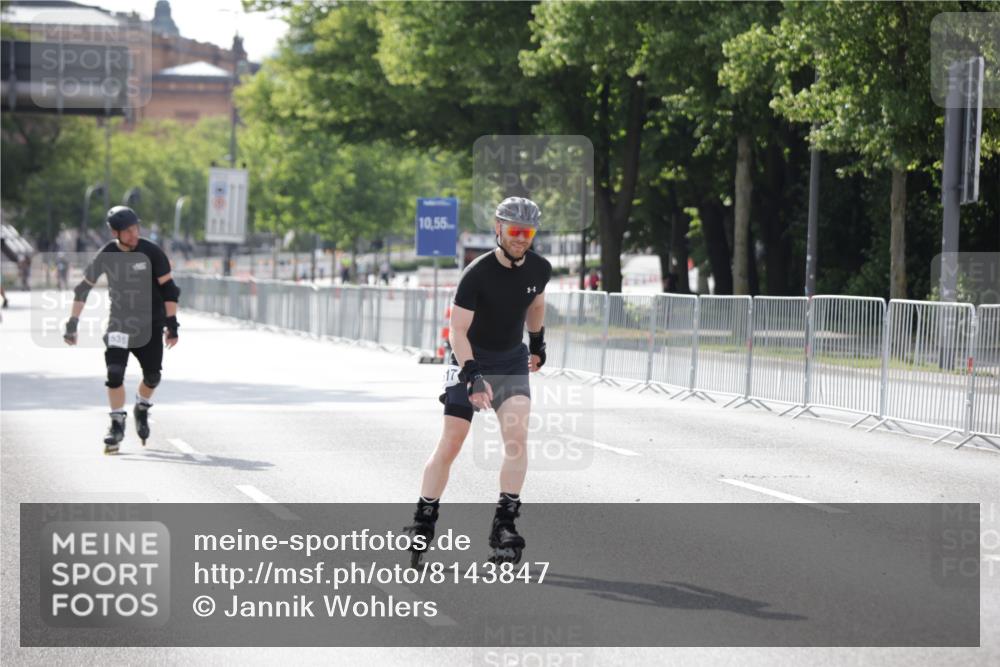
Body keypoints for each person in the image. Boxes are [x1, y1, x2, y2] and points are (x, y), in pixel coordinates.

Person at [404, 196, 551, 567]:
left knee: (516, 439)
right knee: (452, 441)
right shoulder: (477, 274)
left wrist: (537, 343)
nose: (521, 238)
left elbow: (535, 304)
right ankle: (425, 517)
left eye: (528, 232)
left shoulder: (539, 268)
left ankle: (504, 523)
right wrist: (473, 376)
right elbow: (457, 331)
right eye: (515, 230)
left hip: (511, 359)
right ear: (498, 229)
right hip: (469, 356)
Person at [63, 206, 181, 454]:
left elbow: (169, 289)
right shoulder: (107, 254)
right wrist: (72, 323)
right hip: (119, 324)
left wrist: (172, 325)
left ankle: (142, 406)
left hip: (151, 324)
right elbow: (82, 289)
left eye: (135, 228)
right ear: (115, 232)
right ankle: (116, 423)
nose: (133, 234)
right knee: (115, 373)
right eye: (127, 231)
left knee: (152, 376)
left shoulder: (151, 252)